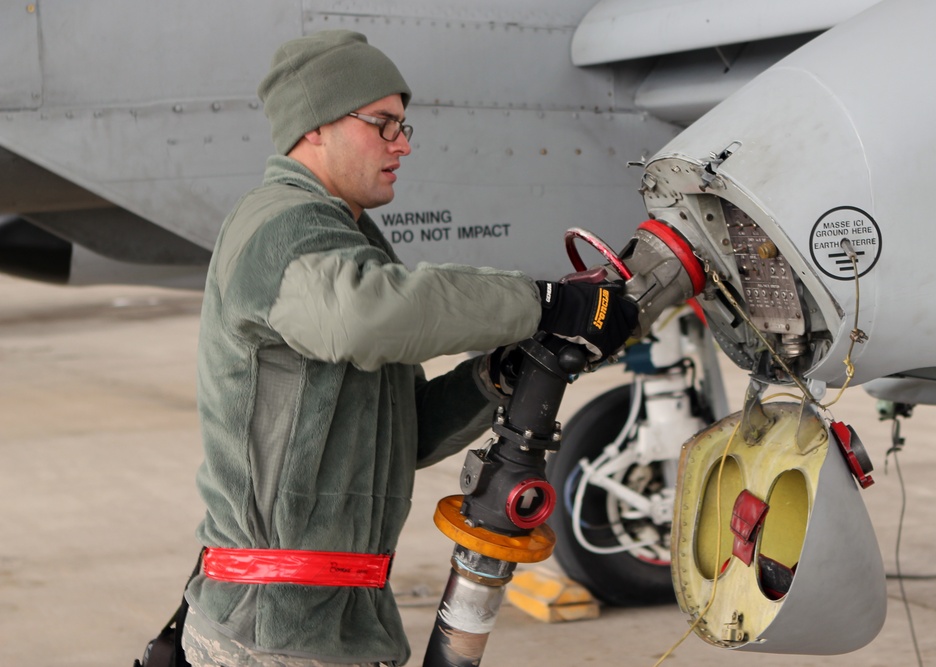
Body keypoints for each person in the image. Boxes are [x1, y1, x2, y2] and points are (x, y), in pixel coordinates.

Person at [181, 30, 637, 667]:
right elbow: (367, 314)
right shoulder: (284, 226)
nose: (403, 143)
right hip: (270, 630)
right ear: (315, 126)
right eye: (384, 124)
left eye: (404, 125)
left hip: (330, 624)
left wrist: (493, 378)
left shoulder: (342, 234)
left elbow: (394, 439)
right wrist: (546, 302)